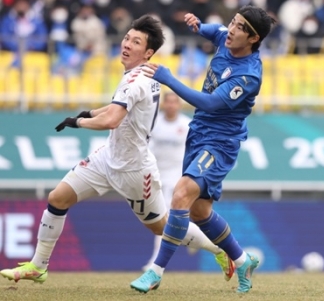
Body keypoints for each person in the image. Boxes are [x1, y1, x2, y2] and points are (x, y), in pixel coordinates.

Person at [0, 15, 234, 284]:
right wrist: (90, 112)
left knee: (161, 226)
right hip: (107, 157)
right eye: (126, 38)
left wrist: (78, 121)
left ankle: (219, 248)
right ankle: (38, 266)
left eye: (136, 42)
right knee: (58, 198)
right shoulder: (143, 74)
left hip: (134, 170)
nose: (126, 44)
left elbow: (112, 119)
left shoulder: (135, 80)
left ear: (147, 52)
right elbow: (116, 108)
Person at [130, 6, 276, 294]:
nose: (231, 29)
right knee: (199, 211)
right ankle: (242, 259)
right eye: (232, 21)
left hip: (220, 142)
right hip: (199, 135)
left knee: (181, 193)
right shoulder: (227, 38)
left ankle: (155, 271)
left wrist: (170, 79)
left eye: (239, 27)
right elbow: (215, 31)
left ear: (254, 38)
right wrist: (199, 26)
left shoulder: (248, 77)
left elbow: (209, 104)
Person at [142, 91, 194, 271]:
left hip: (177, 175)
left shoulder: (186, 124)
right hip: (156, 174)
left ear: (179, 105)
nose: (171, 105)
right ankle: (195, 238)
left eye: (174, 102)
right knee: (168, 218)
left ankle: (155, 263)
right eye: (168, 102)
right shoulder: (154, 123)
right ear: (163, 104)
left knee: (164, 217)